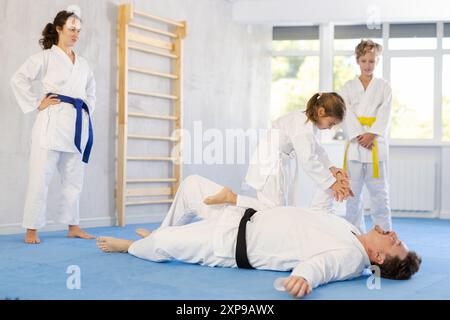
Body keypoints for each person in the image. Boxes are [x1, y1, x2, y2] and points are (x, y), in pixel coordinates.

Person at [96, 175, 421, 298]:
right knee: (191, 185)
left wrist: (302, 279)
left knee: (162, 246)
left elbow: (322, 267)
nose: (392, 233)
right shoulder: (351, 232)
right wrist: (333, 181)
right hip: (239, 214)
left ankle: (133, 247)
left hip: (227, 244)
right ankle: (162, 230)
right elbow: (307, 216)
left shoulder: (351, 258)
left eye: (394, 241)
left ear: (378, 259)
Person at [10, 7, 96, 244]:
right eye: (71, 29)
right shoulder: (45, 57)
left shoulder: (84, 64)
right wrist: (37, 104)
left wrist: (86, 113)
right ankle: (32, 229)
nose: (75, 34)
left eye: (78, 30)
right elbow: (18, 78)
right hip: (51, 123)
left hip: (77, 125)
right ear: (59, 29)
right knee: (40, 177)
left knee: (74, 179)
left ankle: (73, 226)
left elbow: (91, 92)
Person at [244, 92, 353, 215]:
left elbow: (317, 149)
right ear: (321, 112)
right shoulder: (302, 128)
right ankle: (238, 202)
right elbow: (308, 160)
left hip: (275, 159)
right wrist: (331, 183)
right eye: (331, 123)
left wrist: (331, 167)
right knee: (271, 207)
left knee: (279, 204)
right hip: (269, 163)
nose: (330, 128)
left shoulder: (307, 121)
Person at [340, 40, 392, 233]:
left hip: (375, 144)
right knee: (352, 196)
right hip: (356, 145)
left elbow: (385, 112)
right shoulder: (348, 87)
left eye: (372, 61)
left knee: (380, 195)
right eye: (364, 61)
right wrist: (360, 135)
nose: (368, 65)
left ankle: (384, 233)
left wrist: (371, 134)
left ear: (377, 61)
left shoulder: (384, 87)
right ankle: (354, 235)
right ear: (357, 61)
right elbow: (346, 113)